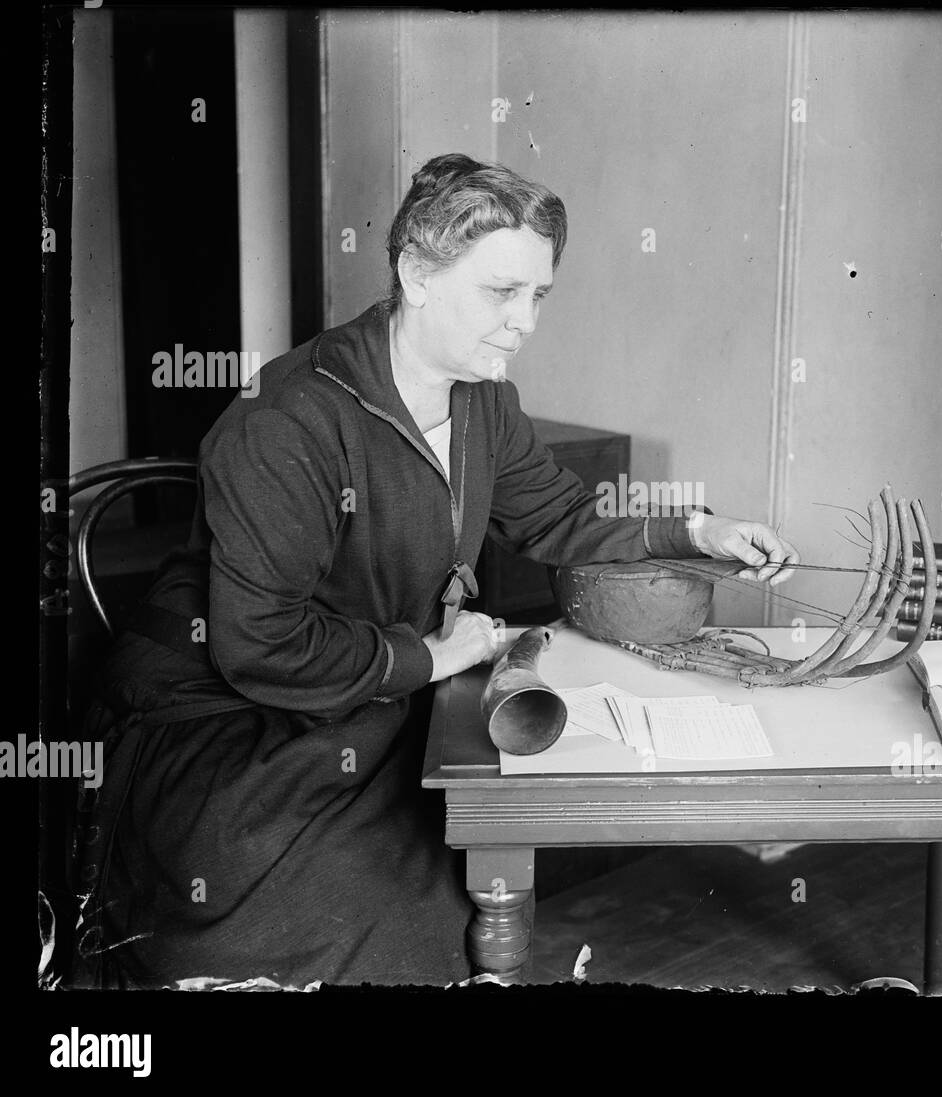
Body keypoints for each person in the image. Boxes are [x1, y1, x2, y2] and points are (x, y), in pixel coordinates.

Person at [74, 153, 799, 988]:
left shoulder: (481, 398)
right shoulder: (288, 421)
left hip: (367, 692)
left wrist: (701, 529)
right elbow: (258, 644)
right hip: (224, 717)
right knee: (357, 892)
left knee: (467, 841)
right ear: (416, 273)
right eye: (501, 292)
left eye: (538, 296)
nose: (524, 321)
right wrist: (436, 655)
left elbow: (559, 516)